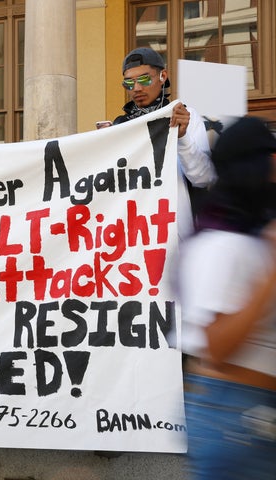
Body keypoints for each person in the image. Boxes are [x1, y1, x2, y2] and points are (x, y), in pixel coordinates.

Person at [179, 116, 276, 479]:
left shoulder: (253, 237)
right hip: (234, 422)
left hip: (254, 419)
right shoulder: (221, 246)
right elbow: (217, 347)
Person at [114, 47, 217, 240]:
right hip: (134, 241)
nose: (136, 88)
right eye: (129, 83)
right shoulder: (119, 125)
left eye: (144, 79)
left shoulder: (185, 116)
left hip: (176, 237)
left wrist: (182, 138)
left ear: (163, 76)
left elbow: (203, 178)